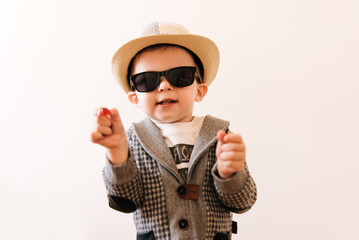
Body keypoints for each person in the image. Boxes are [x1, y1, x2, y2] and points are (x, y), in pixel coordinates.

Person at [91, 21, 257, 240]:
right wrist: (118, 154)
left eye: (180, 76)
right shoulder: (132, 140)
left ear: (200, 90)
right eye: (147, 80)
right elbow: (125, 201)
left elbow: (242, 202)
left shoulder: (220, 136)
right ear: (135, 98)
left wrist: (230, 174)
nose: (164, 86)